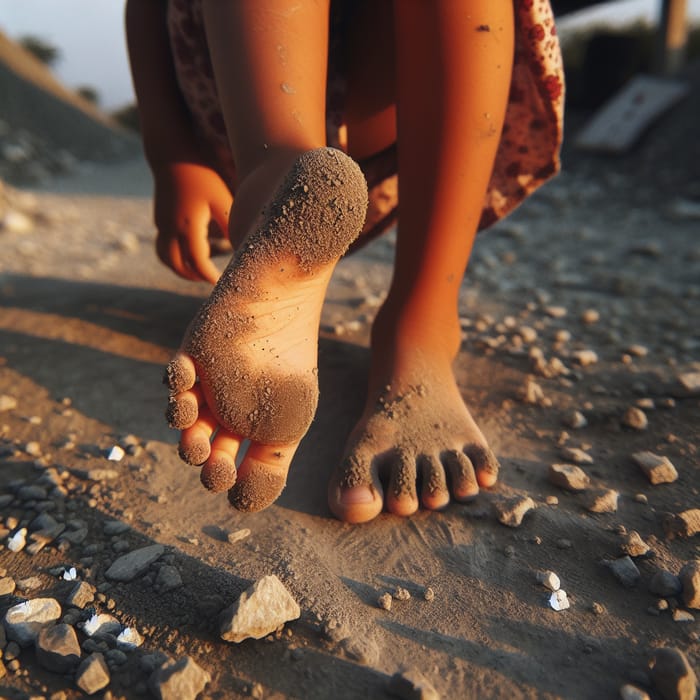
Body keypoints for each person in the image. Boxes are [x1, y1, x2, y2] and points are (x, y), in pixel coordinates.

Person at [125, 0, 564, 523]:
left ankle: (279, 180)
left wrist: (165, 146)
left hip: (323, 90)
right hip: (261, 94)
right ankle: (417, 317)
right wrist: (173, 153)